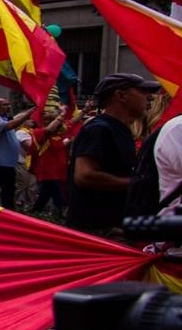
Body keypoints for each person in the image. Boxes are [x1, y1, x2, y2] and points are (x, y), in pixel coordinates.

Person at [68, 73, 159, 234]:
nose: (150, 98)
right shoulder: (99, 129)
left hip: (114, 228)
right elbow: (84, 176)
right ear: (120, 95)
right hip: (98, 233)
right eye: (143, 91)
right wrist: (139, 184)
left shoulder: (121, 130)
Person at [30, 108, 71, 216]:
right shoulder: (39, 133)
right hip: (48, 172)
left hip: (59, 171)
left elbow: (72, 123)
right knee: (58, 196)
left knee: (45, 195)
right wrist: (61, 115)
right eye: (50, 120)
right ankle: (60, 216)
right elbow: (48, 130)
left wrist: (84, 111)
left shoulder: (59, 136)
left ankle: (33, 213)